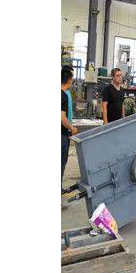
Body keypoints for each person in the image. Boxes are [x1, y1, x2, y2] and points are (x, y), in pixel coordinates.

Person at [61, 69, 78, 204]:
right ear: (69, 80)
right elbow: (62, 117)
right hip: (61, 134)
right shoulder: (63, 95)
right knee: (61, 162)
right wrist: (72, 128)